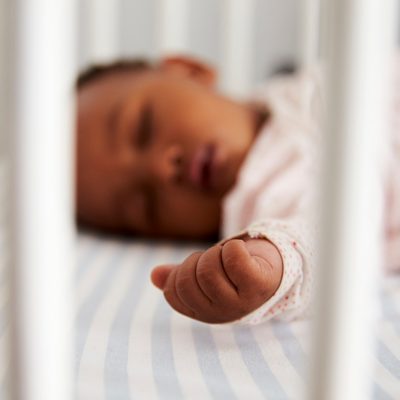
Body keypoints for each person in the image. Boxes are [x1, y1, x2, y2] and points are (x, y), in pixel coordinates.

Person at [76, 55, 400, 325]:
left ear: (188, 70)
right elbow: (330, 242)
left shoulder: (299, 88)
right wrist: (275, 261)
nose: (162, 170)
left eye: (144, 127)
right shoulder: (265, 206)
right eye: (145, 203)